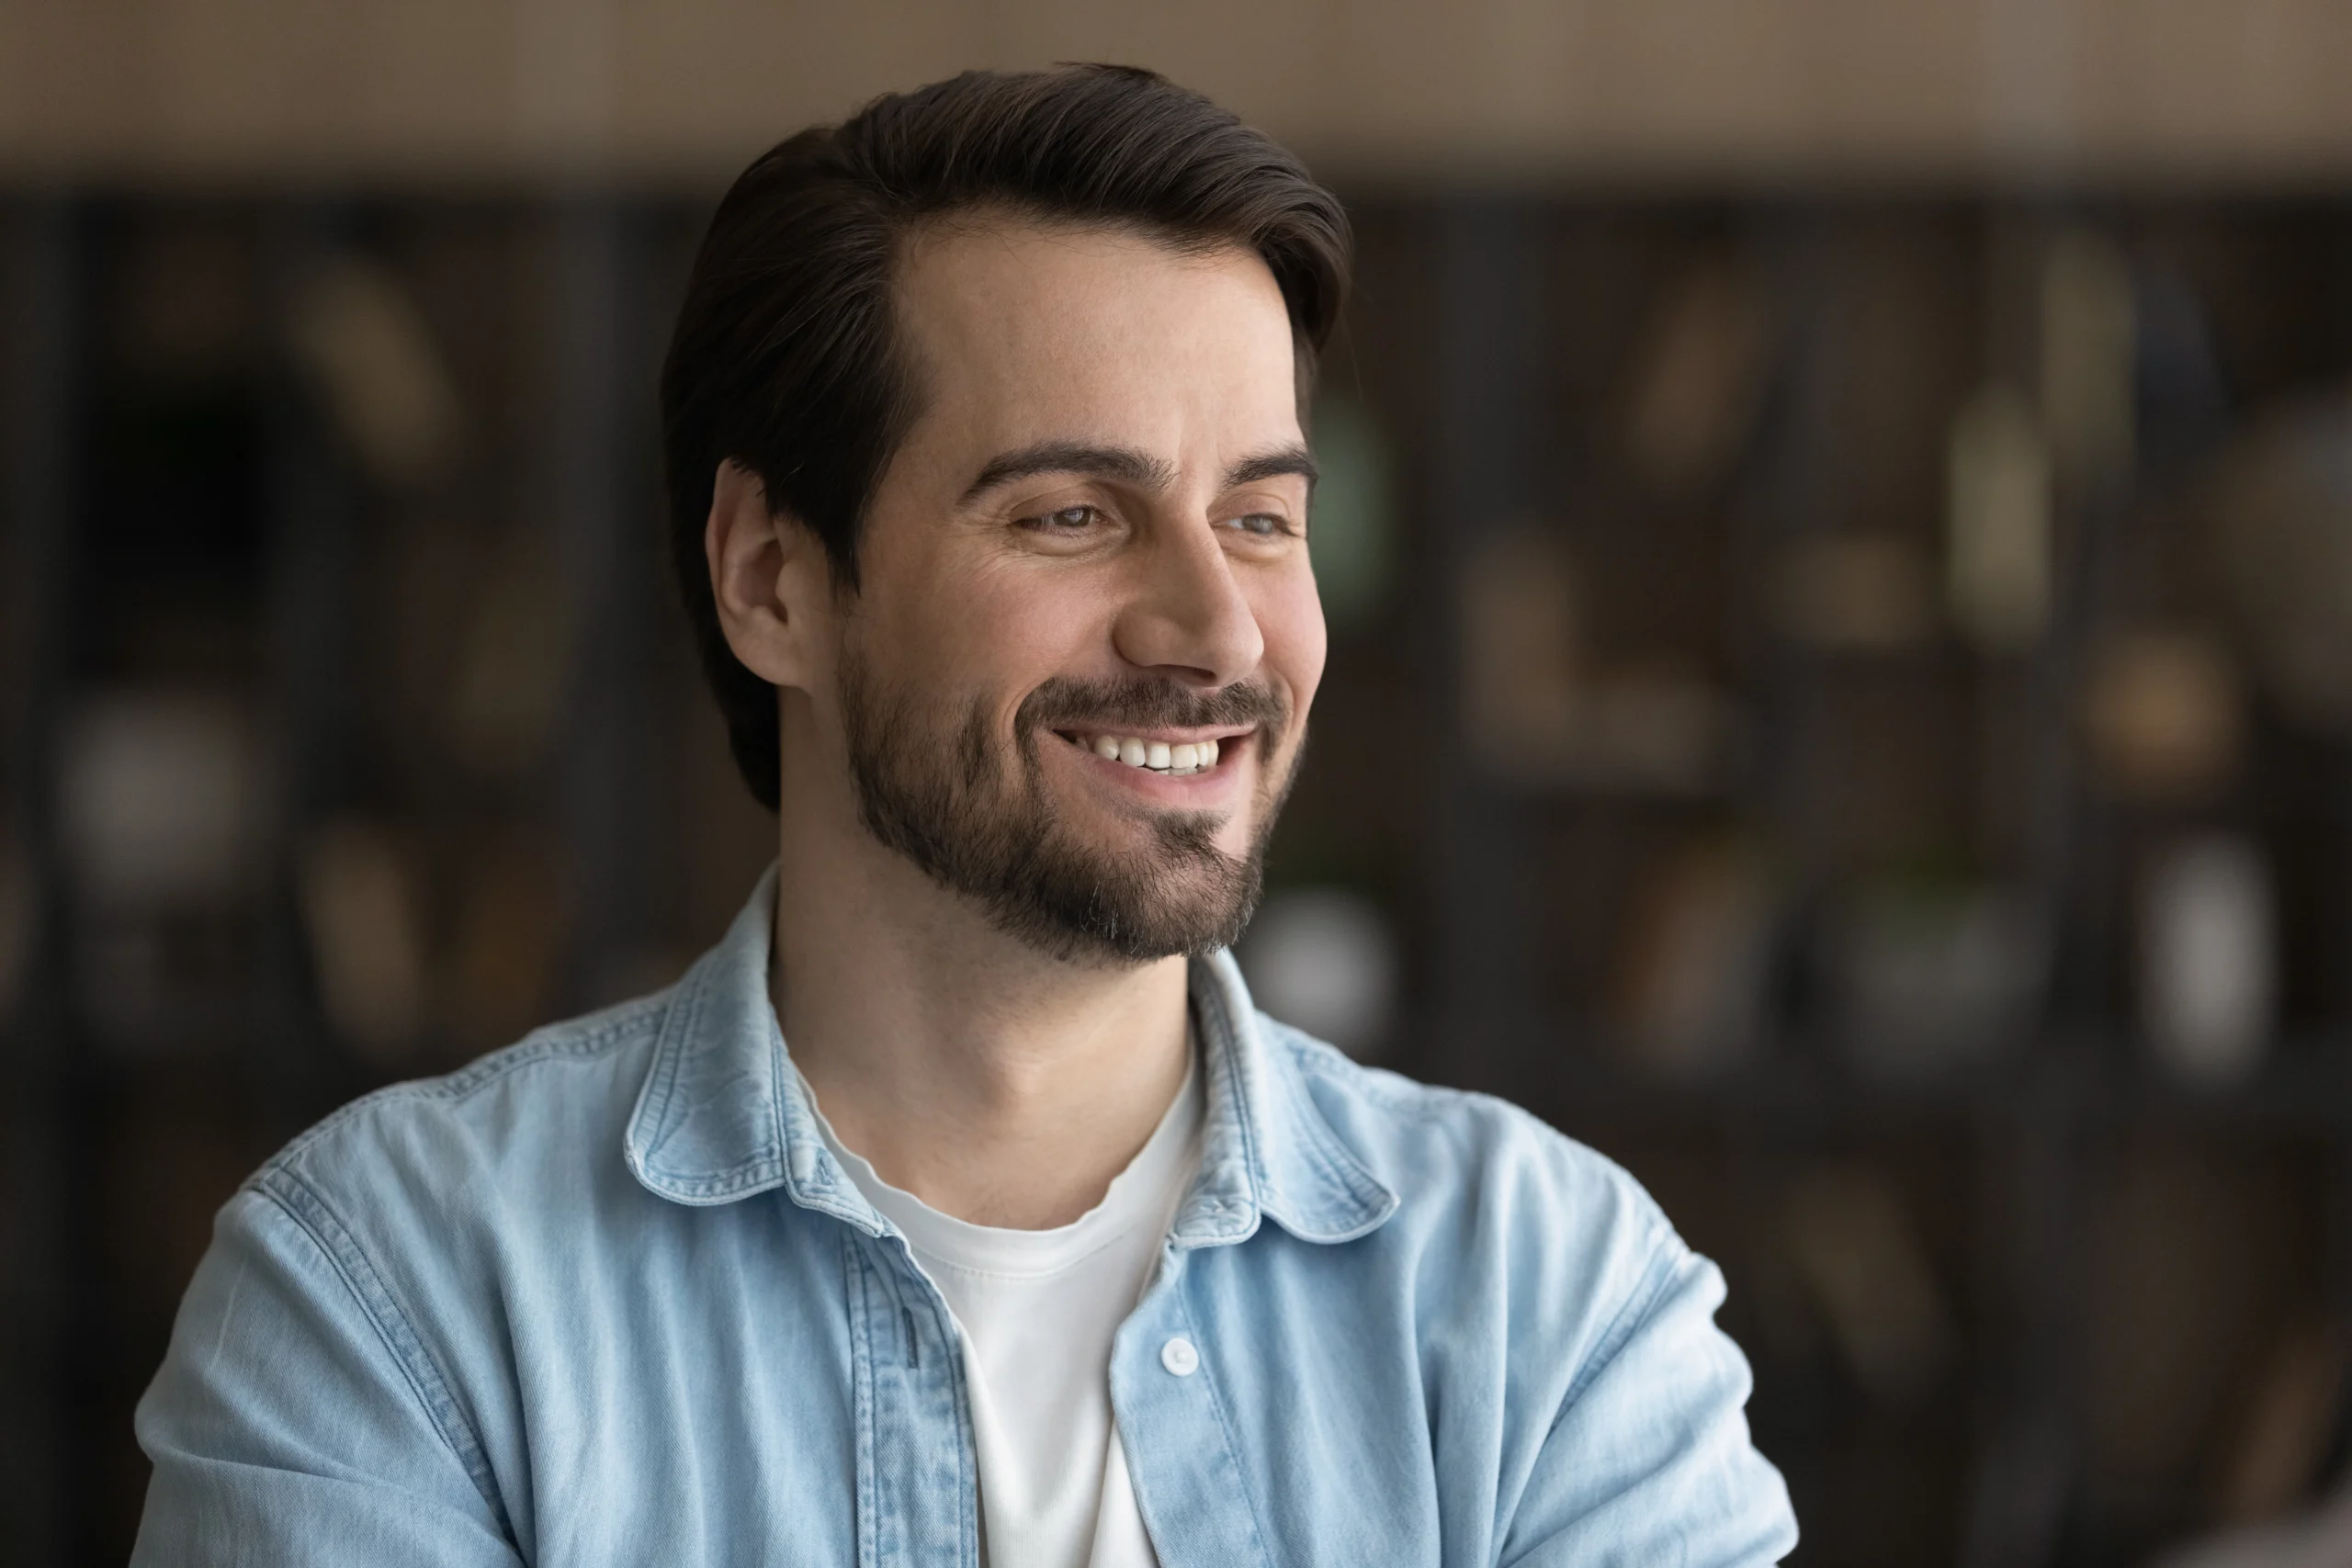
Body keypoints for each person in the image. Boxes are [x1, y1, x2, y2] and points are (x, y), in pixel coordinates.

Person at [131, 64, 1796, 1567]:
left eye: (1264, 518)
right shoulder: (394, 1297)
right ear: (772, 577)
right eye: (1074, 514)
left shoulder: (1553, 1304)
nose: (1219, 630)